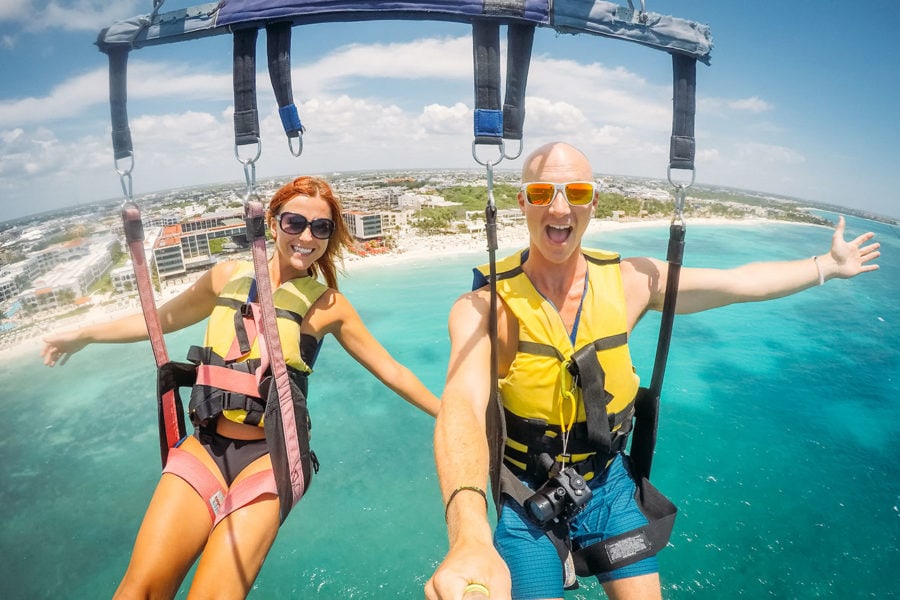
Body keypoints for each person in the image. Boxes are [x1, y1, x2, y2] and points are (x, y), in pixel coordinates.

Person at [425, 142, 880, 600]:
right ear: (522, 201)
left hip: (605, 483)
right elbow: (461, 405)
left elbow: (738, 283)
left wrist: (827, 266)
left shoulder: (630, 282)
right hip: (527, 493)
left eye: (576, 192)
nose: (559, 207)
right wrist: (469, 534)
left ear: (593, 203)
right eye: (542, 192)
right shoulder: (484, 308)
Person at [42, 176, 440, 599]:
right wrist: (84, 334)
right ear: (272, 223)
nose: (307, 236)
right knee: (138, 590)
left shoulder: (327, 306)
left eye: (321, 228)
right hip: (206, 447)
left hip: (270, 461)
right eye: (295, 223)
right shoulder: (227, 277)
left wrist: (451, 412)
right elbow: (158, 320)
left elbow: (392, 370)